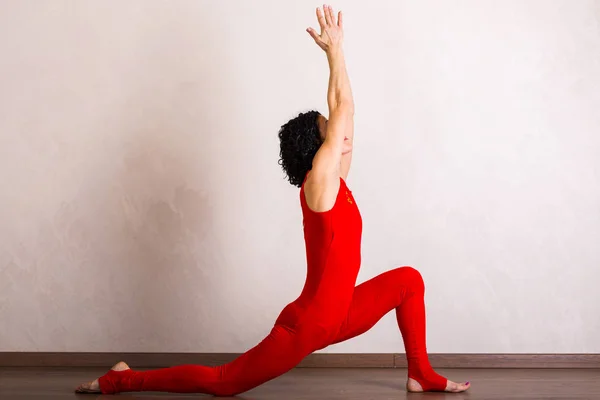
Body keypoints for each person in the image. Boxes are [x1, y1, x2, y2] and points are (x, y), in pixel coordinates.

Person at [75, 5, 470, 395]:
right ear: (318, 150)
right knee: (224, 382)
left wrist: (338, 74)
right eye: (330, 132)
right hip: (307, 325)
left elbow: (347, 112)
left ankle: (419, 373)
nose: (341, 133)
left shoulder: (338, 184)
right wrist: (335, 52)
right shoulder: (318, 186)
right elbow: (343, 107)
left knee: (408, 281)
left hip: (342, 313)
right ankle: (122, 378)